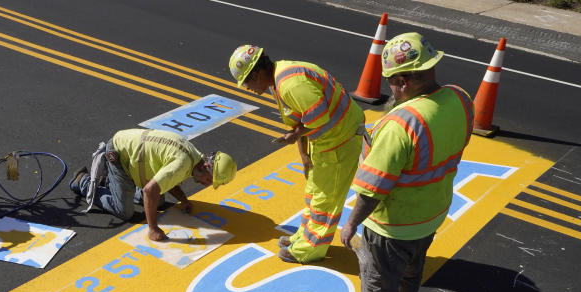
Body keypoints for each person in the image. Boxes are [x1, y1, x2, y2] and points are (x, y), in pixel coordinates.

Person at [339, 32, 475, 292]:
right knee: (412, 272)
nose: (389, 89)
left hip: (392, 227)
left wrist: (351, 225)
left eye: (391, 83)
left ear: (402, 80)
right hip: (432, 214)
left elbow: (372, 190)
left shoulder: (400, 124)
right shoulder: (460, 98)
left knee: (378, 287)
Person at [229, 45, 365, 264]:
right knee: (313, 192)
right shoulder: (278, 80)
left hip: (341, 140)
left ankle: (310, 249)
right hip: (327, 141)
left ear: (257, 74)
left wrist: (295, 137)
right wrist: (303, 155)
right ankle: (305, 236)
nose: (247, 88)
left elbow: (317, 117)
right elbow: (300, 119)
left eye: (247, 82)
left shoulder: (290, 84)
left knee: (326, 199)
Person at [70, 128, 236, 242]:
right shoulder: (182, 164)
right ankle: (83, 181)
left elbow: (168, 179)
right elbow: (150, 190)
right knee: (124, 212)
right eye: (209, 180)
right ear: (205, 166)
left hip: (134, 155)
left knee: (160, 202)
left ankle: (113, 182)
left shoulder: (195, 156)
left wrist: (184, 200)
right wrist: (153, 228)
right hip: (120, 155)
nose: (206, 184)